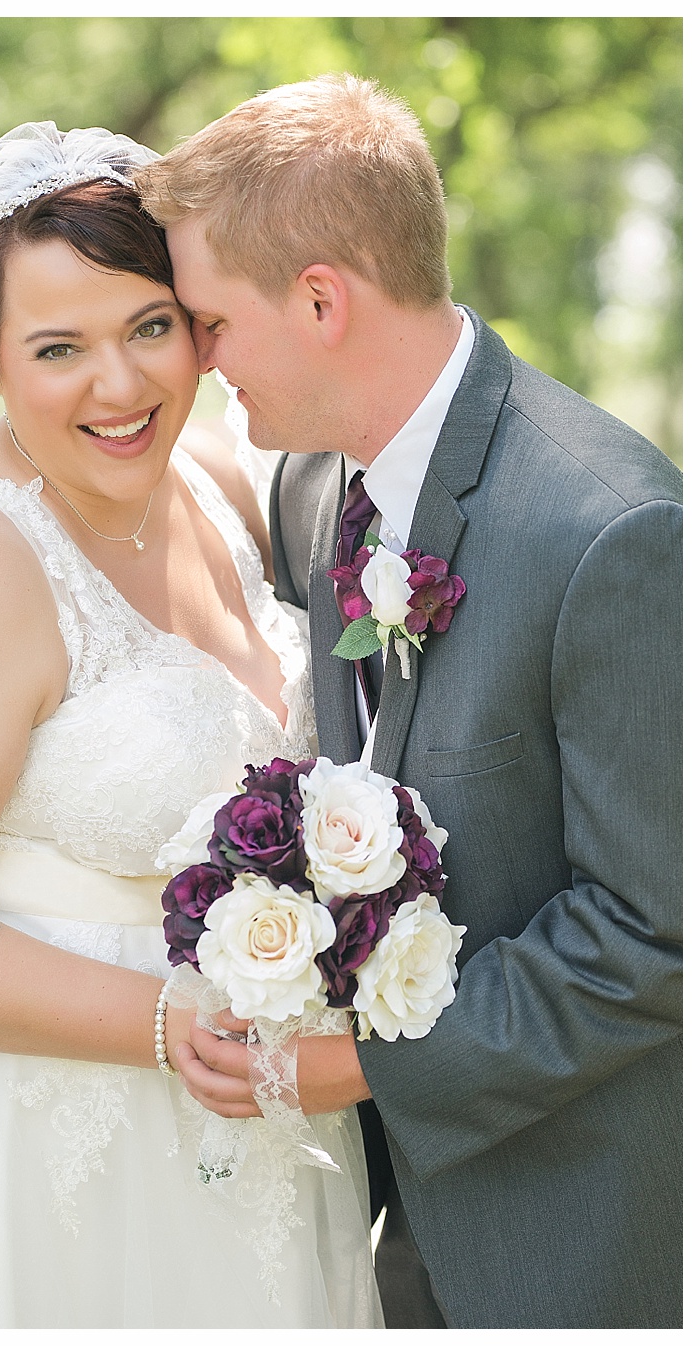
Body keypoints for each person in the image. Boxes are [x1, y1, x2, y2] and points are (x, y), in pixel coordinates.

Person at [0, 123, 380, 1328]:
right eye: (58, 347)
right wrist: (169, 1026)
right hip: (54, 1143)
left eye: (150, 328)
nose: (120, 387)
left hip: (257, 1125)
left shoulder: (220, 485)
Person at [135, 74, 681, 1329]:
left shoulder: (616, 529)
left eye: (209, 324)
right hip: (377, 1241)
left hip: (572, 1233)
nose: (199, 362)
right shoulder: (321, 487)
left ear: (321, 298)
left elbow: (655, 934)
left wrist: (355, 1067)